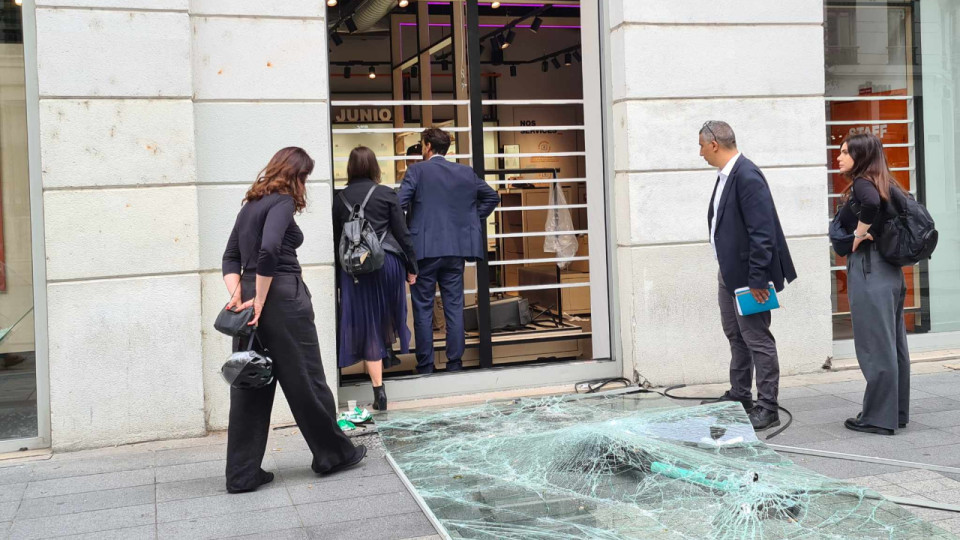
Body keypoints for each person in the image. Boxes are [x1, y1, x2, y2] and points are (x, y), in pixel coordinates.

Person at [221, 147, 365, 493]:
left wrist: (239, 295)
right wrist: (261, 298)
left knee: (250, 382)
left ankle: (242, 474)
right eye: (305, 177)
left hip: (249, 300)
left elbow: (230, 257)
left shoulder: (250, 205)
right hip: (282, 299)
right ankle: (332, 454)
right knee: (306, 378)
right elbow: (270, 250)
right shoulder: (282, 201)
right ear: (295, 175)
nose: (305, 185)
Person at [698, 120, 797, 430]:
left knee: (757, 338)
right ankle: (740, 396)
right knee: (736, 335)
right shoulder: (727, 175)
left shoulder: (747, 175)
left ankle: (768, 407)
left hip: (748, 278)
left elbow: (762, 232)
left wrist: (756, 280)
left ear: (714, 144)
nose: (700, 152)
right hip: (729, 272)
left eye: (701, 146)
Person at [398, 128, 500, 374]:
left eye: (422, 145)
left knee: (423, 308)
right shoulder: (464, 172)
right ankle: (455, 364)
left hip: (423, 250)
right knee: (454, 307)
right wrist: (468, 220)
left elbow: (398, 204)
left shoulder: (416, 171)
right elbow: (492, 197)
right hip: (455, 250)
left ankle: (425, 366)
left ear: (427, 146)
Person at [835, 133, 910, 436]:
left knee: (876, 347)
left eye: (844, 152)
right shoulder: (887, 182)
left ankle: (878, 418)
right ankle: (895, 412)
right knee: (893, 345)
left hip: (870, 270)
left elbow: (869, 203)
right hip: (890, 271)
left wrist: (857, 234)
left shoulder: (864, 184)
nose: (839, 157)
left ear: (861, 156)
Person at [333, 146, 418, 410]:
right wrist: (412, 267)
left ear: (350, 168)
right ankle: (386, 353)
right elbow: (403, 234)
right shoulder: (386, 194)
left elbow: (337, 242)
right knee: (384, 316)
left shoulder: (339, 198)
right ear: (374, 167)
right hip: (387, 263)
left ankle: (379, 389)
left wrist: (338, 278)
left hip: (355, 270)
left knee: (368, 323)